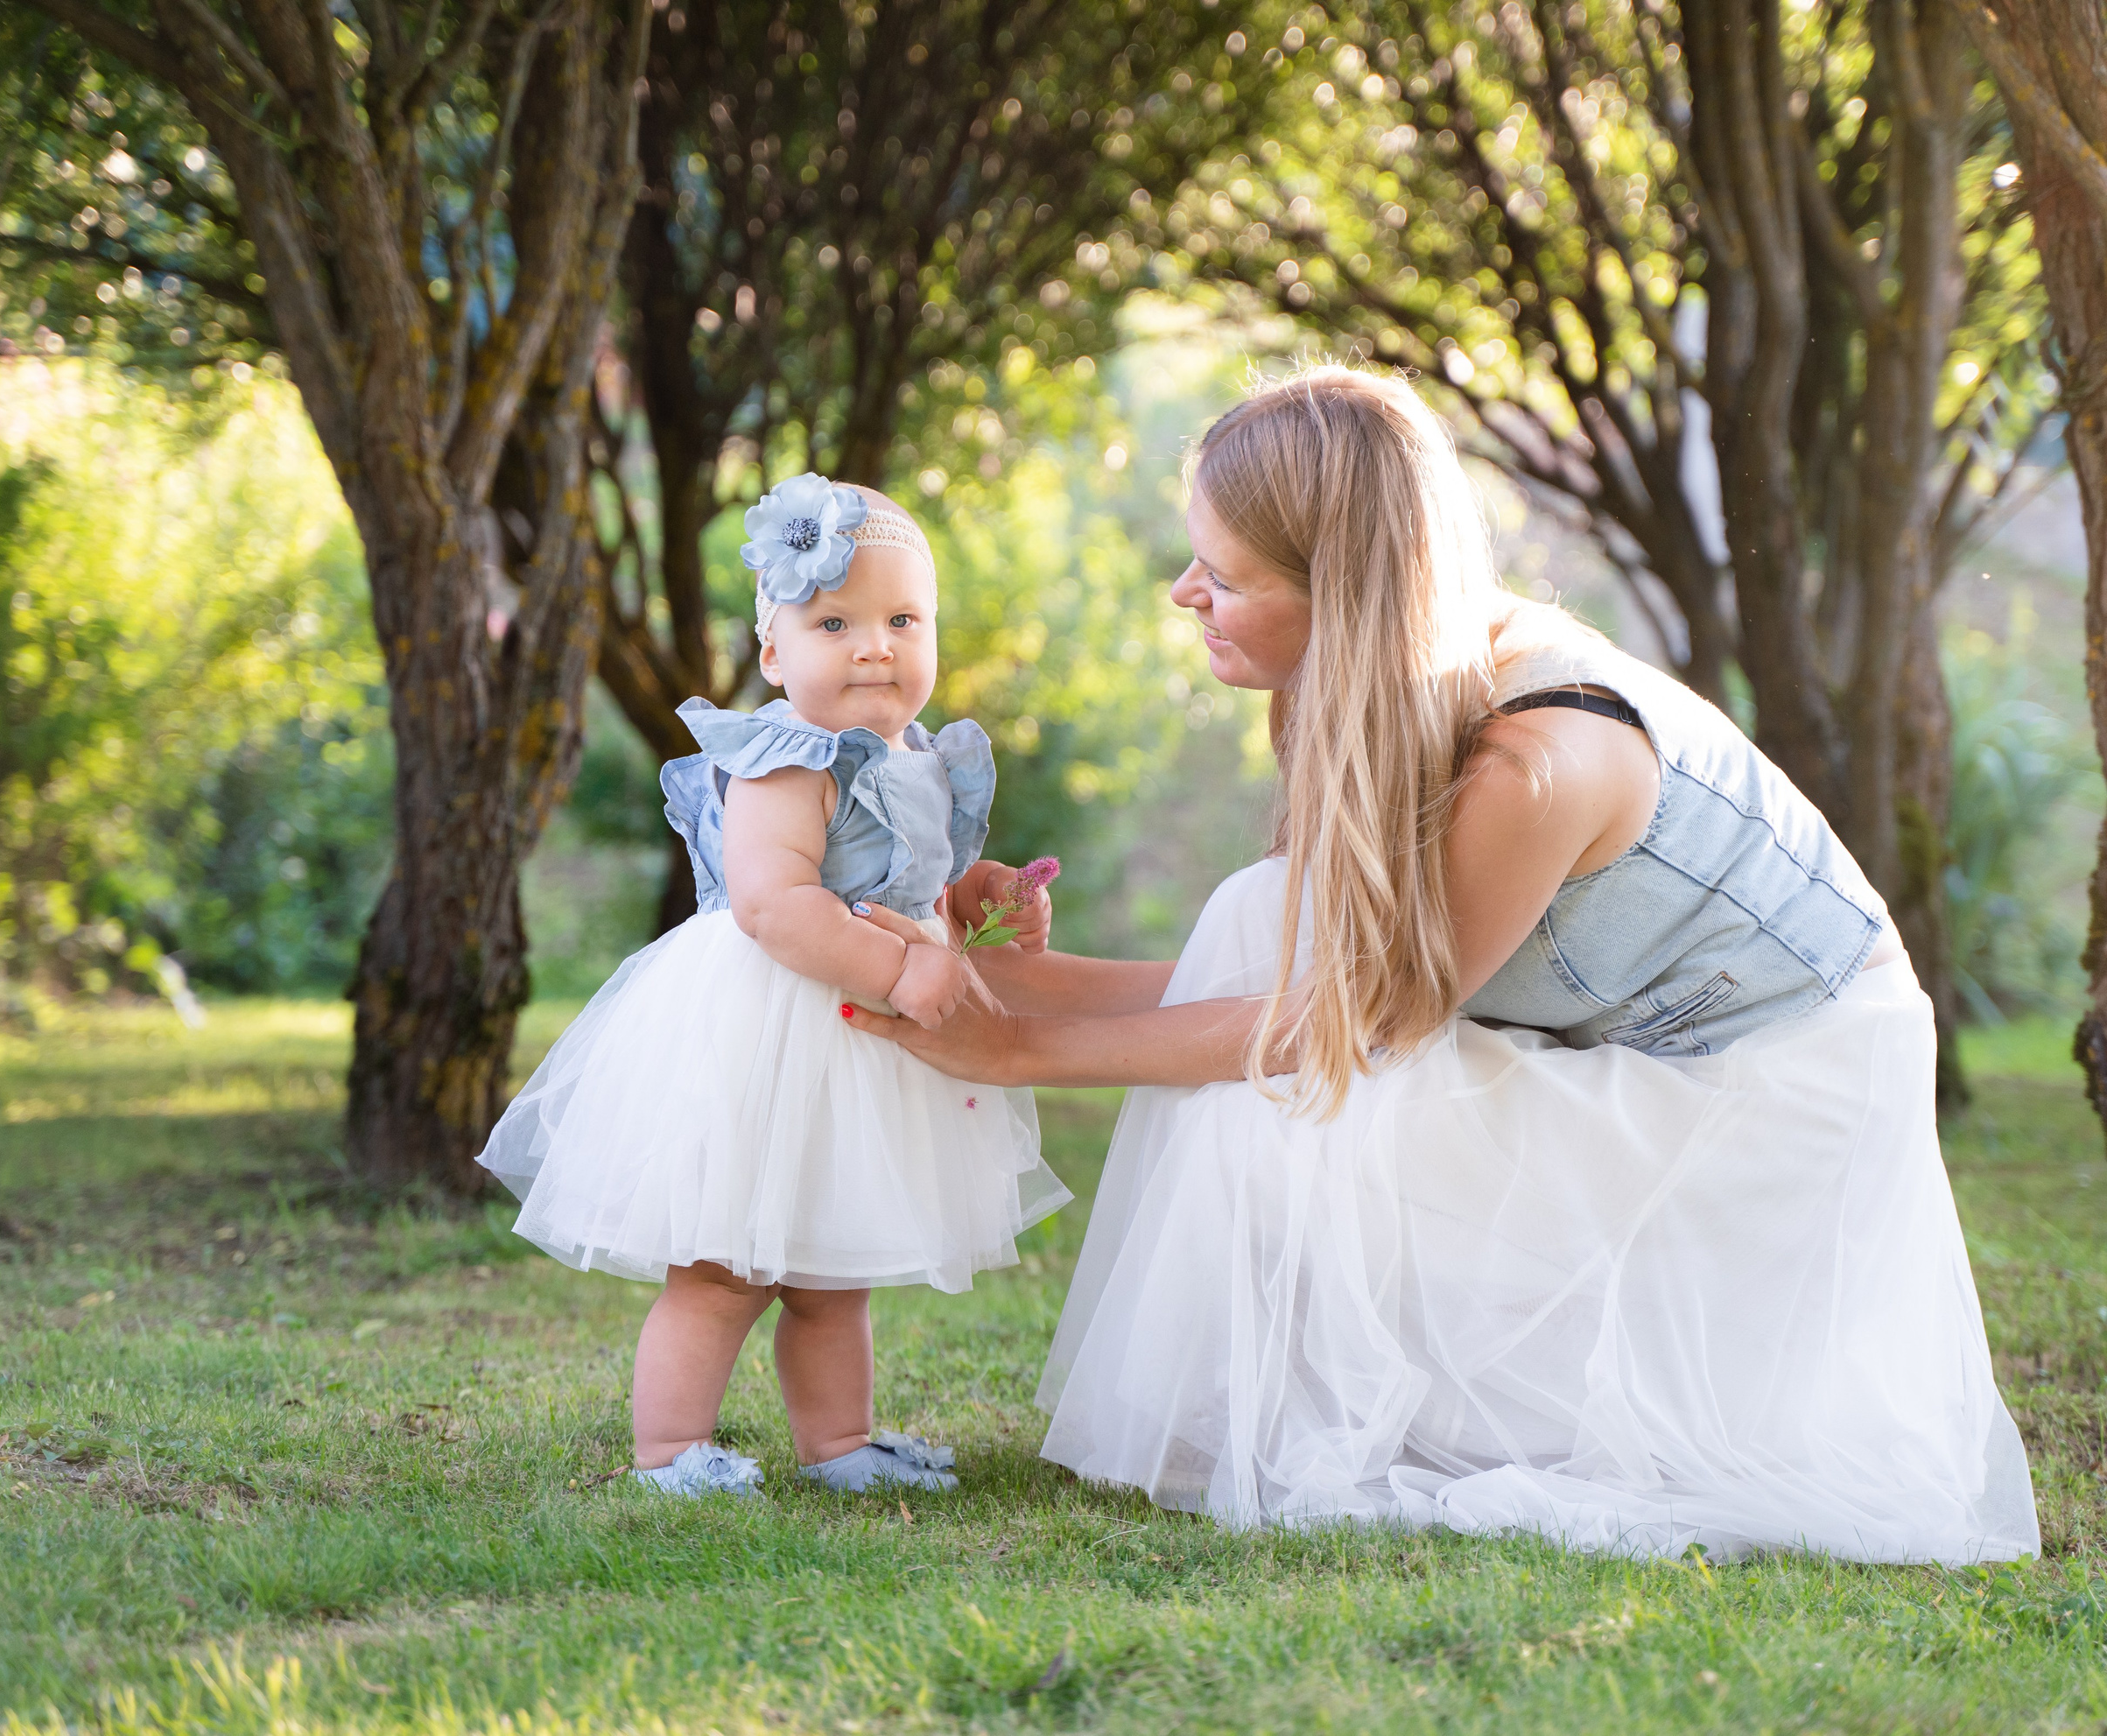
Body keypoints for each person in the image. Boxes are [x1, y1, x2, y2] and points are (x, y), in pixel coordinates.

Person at [846, 367, 2040, 1562]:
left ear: (1343, 587)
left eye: (1227, 573)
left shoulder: (1532, 762)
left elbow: (1346, 1021)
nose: (1184, 591)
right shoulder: (1382, 684)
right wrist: (979, 973)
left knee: (1298, 1093)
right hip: (1606, 1026)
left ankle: (1435, 1401)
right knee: (1258, 910)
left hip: (1772, 1094)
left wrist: (1020, 1048)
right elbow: (1276, 978)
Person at [479, 474, 1070, 1500]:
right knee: (723, 1268)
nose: (873, 645)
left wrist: (982, 895)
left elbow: (915, 876)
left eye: (901, 620)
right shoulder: (784, 759)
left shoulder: (918, 755)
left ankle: (838, 1442)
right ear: (772, 652)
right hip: (771, 1031)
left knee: (832, 1271)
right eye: (833, 621)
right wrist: (901, 969)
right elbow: (773, 902)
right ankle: (670, 1451)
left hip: (860, 1040)